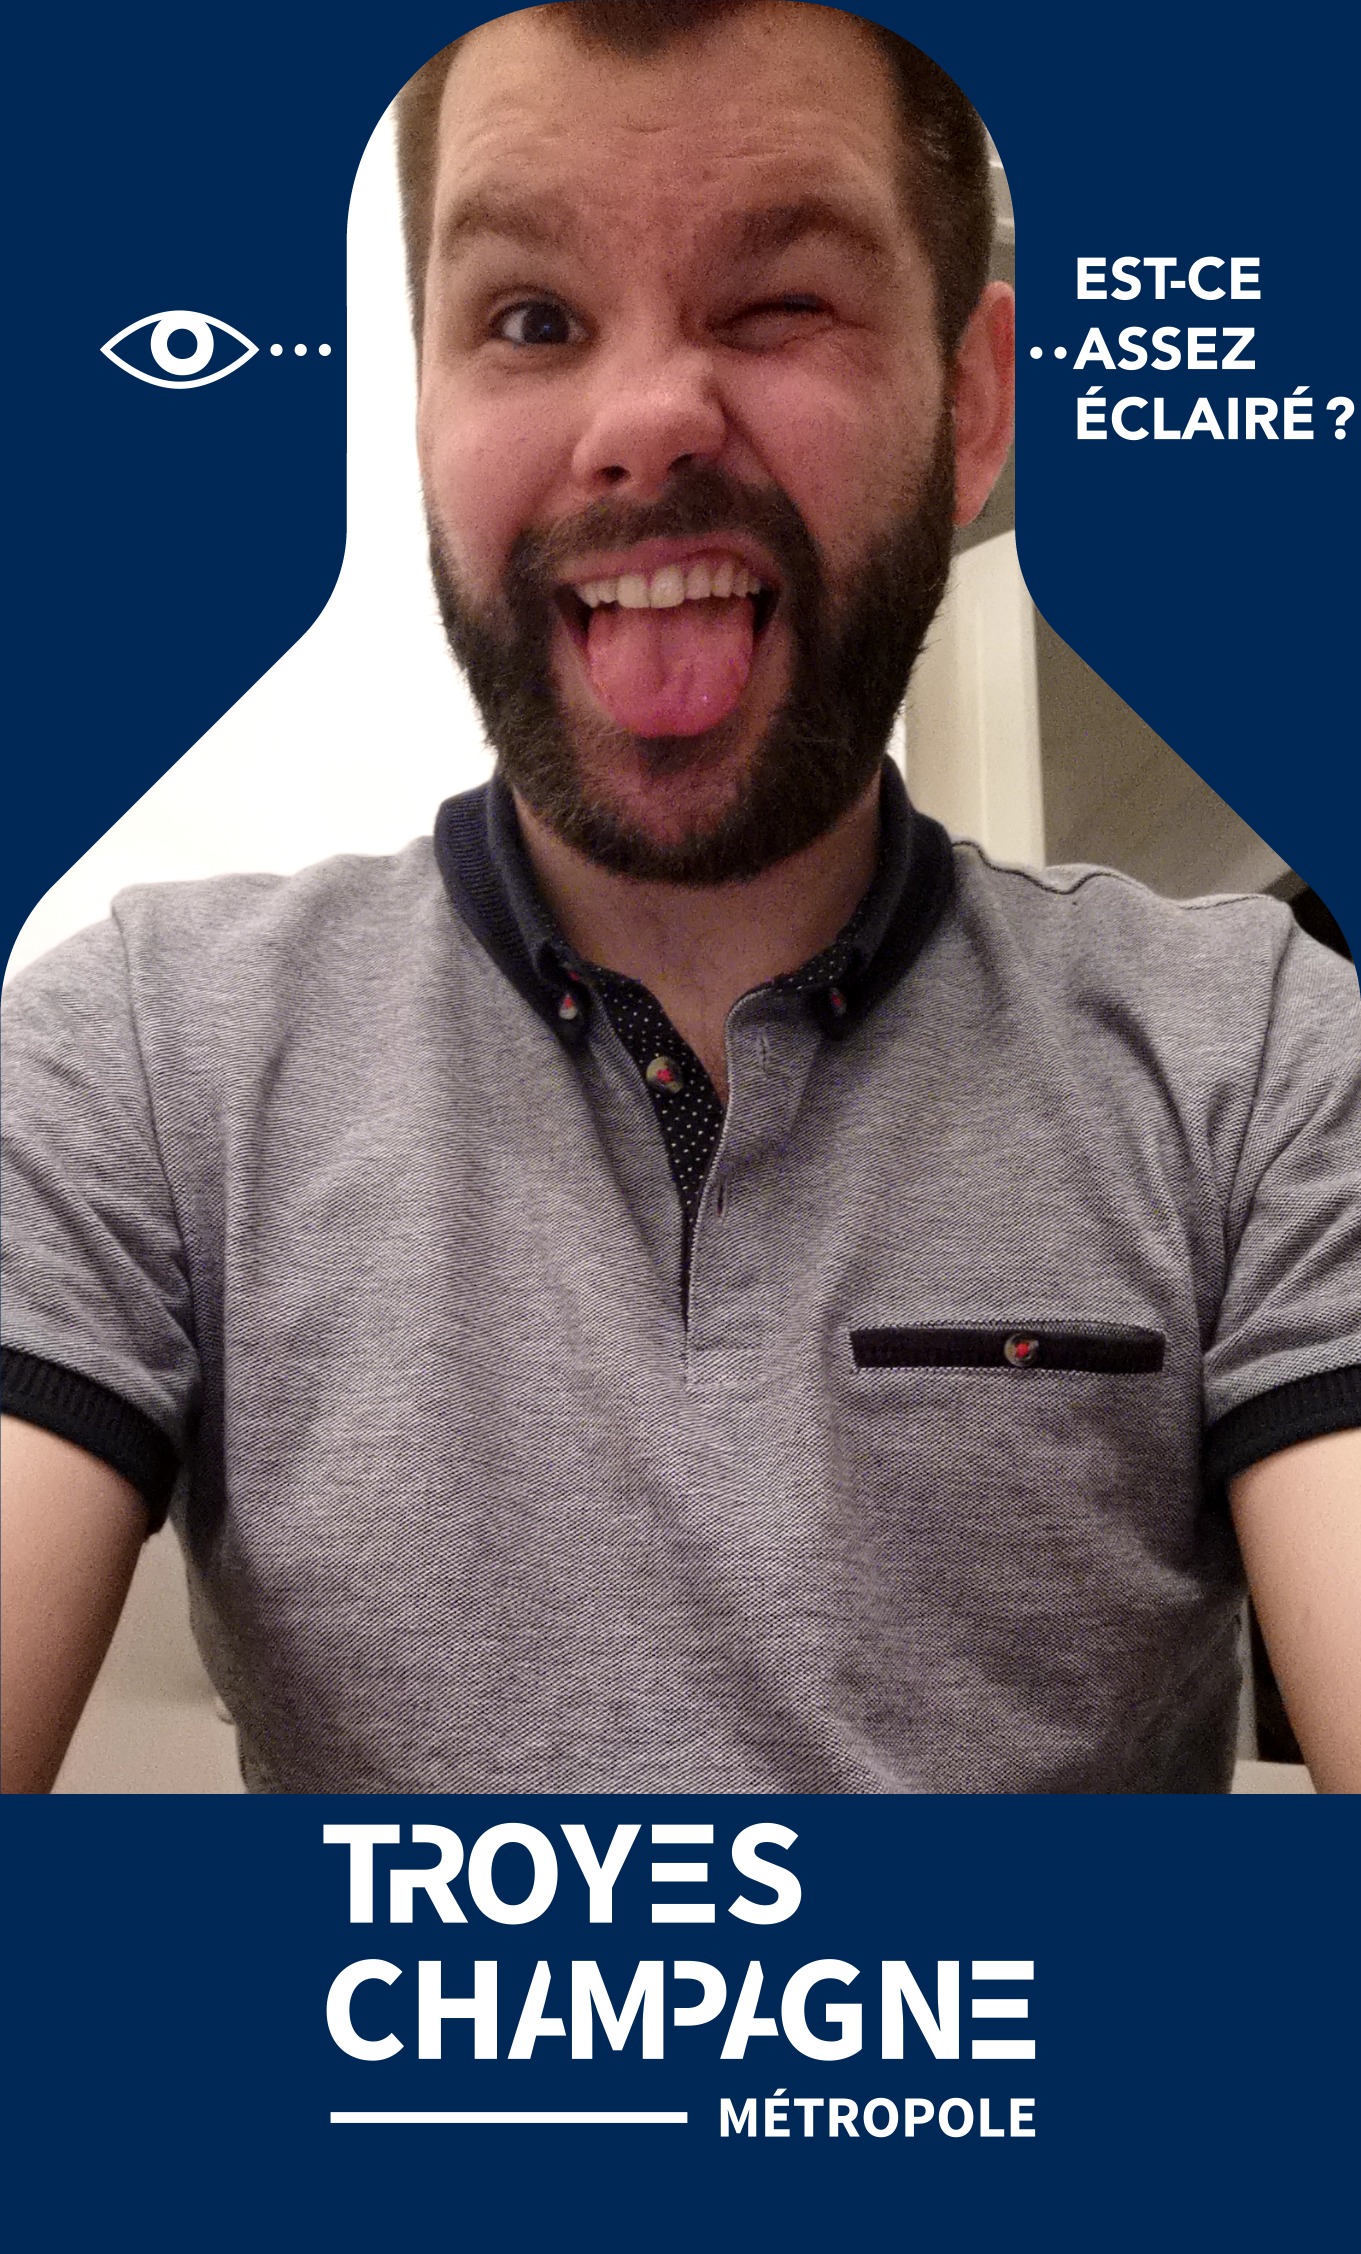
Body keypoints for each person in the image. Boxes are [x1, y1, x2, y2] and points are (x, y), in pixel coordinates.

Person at [2, 0, 1358, 1795]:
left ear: (966, 406)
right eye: (530, 319)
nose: (645, 421)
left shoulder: (1259, 1058)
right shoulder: (136, 1060)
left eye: (778, 302)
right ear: (424, 405)